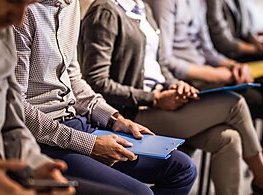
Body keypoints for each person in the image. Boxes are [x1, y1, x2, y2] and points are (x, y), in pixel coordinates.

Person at [78, 0, 263, 194]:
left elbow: (160, 66)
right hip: (136, 111)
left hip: (163, 97)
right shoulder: (106, 11)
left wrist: (177, 85)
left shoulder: (142, 7)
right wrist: (153, 97)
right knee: (235, 104)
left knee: (229, 138)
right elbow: (96, 81)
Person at [12, 0, 197, 194]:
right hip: (44, 137)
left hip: (77, 122)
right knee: (140, 193)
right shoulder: (23, 14)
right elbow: (17, 107)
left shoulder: (71, 5)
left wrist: (114, 119)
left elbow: (74, 79)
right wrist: (88, 144)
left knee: (182, 168)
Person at [148, 0, 263, 193]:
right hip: (189, 81)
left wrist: (232, 66)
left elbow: (208, 49)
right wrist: (220, 74)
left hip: (209, 70)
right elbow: (166, 60)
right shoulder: (165, 2)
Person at [0, 0, 132, 195]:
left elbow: (13, 120)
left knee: (178, 166)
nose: (18, 19)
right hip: (39, 136)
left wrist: (38, 166)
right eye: (14, 2)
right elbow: (22, 113)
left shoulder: (0, 36)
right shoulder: (16, 24)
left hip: (26, 149)